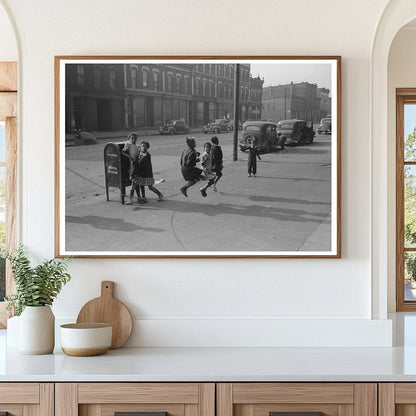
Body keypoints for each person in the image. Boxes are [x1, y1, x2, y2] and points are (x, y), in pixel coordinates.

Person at [122, 133, 144, 204]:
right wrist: (129, 157)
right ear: (130, 138)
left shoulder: (137, 146)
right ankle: (135, 198)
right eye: (132, 138)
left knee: (136, 182)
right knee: (135, 182)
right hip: (133, 165)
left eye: (135, 138)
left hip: (138, 165)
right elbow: (122, 152)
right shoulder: (128, 144)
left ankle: (137, 198)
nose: (134, 139)